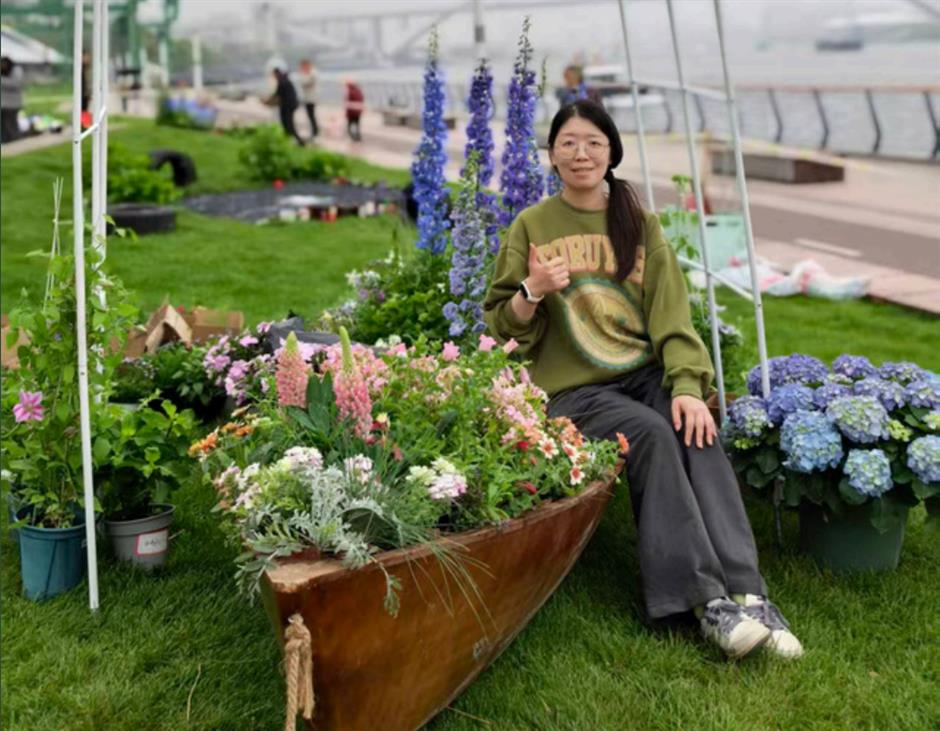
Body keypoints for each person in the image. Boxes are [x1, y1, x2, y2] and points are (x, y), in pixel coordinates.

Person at [483, 100, 803, 661]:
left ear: (611, 154)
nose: (581, 154)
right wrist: (532, 289)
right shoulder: (531, 226)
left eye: (594, 143)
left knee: (692, 425)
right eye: (568, 143)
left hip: (643, 374)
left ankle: (749, 592)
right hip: (574, 393)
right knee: (650, 434)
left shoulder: (640, 223)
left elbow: (673, 317)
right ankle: (707, 604)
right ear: (552, 154)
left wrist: (685, 385)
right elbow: (504, 328)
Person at [265, 67, 303, 146]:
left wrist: (267, 101)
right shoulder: (284, 79)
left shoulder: (282, 81)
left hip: (287, 105)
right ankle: (290, 140)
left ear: (276, 73)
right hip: (290, 104)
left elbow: (277, 95)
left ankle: (298, 141)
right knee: (287, 123)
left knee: (288, 124)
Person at [1, 56, 23, 144]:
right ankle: (5, 142)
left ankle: (16, 142)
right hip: (3, 104)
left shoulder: (16, 70)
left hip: (13, 104)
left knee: (12, 125)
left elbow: (16, 84)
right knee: (3, 126)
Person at [296, 58, 319, 141]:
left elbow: (305, 83)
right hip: (307, 98)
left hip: (311, 98)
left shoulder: (312, 73)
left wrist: (303, 74)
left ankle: (315, 132)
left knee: (311, 116)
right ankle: (314, 132)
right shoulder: (307, 73)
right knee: (310, 116)